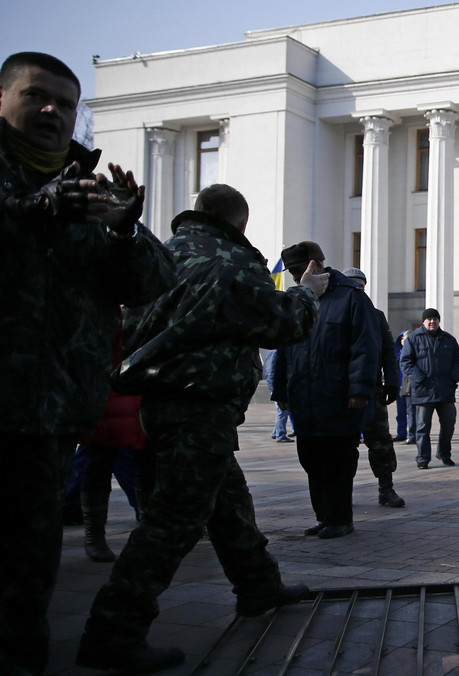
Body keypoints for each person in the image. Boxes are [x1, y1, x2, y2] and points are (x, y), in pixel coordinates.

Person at [77, 184, 321, 673]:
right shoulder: (229, 262)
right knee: (174, 518)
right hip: (200, 403)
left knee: (228, 502)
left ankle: (259, 586)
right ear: (239, 223)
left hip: (162, 401)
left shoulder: (166, 254)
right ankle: (114, 630)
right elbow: (282, 324)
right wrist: (305, 292)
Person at [0, 51, 176, 675]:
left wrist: (126, 230)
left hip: (50, 411)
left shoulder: (88, 187)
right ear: (4, 99)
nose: (52, 110)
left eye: (66, 103)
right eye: (35, 95)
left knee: (27, 563)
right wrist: (35, 210)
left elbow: (154, 280)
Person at [272, 241, 380, 540]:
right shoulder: (298, 299)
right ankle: (324, 516)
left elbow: (365, 346)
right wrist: (280, 389)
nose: (295, 278)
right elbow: (284, 347)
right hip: (304, 397)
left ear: (314, 265)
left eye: (297, 271)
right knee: (311, 459)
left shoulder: (350, 298)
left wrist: (359, 390)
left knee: (338, 461)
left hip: (338, 398)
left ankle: (340, 518)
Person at [76, 325, 146, 563]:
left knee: (146, 466)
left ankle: (148, 528)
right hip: (109, 396)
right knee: (99, 464)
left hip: (142, 395)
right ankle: (94, 533)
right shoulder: (105, 317)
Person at [343, 268, 406, 508]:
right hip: (342, 391)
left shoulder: (375, 315)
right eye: (352, 286)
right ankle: (342, 492)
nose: (356, 291)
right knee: (343, 444)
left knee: (380, 441)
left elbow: (389, 352)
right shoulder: (337, 312)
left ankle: (386, 488)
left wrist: (392, 381)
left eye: (360, 287)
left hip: (372, 391)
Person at [401, 308, 459, 469]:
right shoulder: (414, 339)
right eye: (428, 319)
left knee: (449, 424)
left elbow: (457, 360)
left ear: (438, 321)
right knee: (422, 427)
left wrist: (452, 379)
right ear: (423, 321)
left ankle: (444, 453)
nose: (432, 321)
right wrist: (420, 378)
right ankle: (423, 458)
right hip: (423, 391)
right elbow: (406, 362)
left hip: (445, 390)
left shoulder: (448, 339)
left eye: (435, 318)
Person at [263, 349, 293, 442]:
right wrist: (274, 389)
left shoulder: (275, 352)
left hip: (277, 387)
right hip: (277, 388)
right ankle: (280, 435)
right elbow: (272, 372)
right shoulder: (276, 353)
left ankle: (276, 432)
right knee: (282, 412)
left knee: (283, 412)